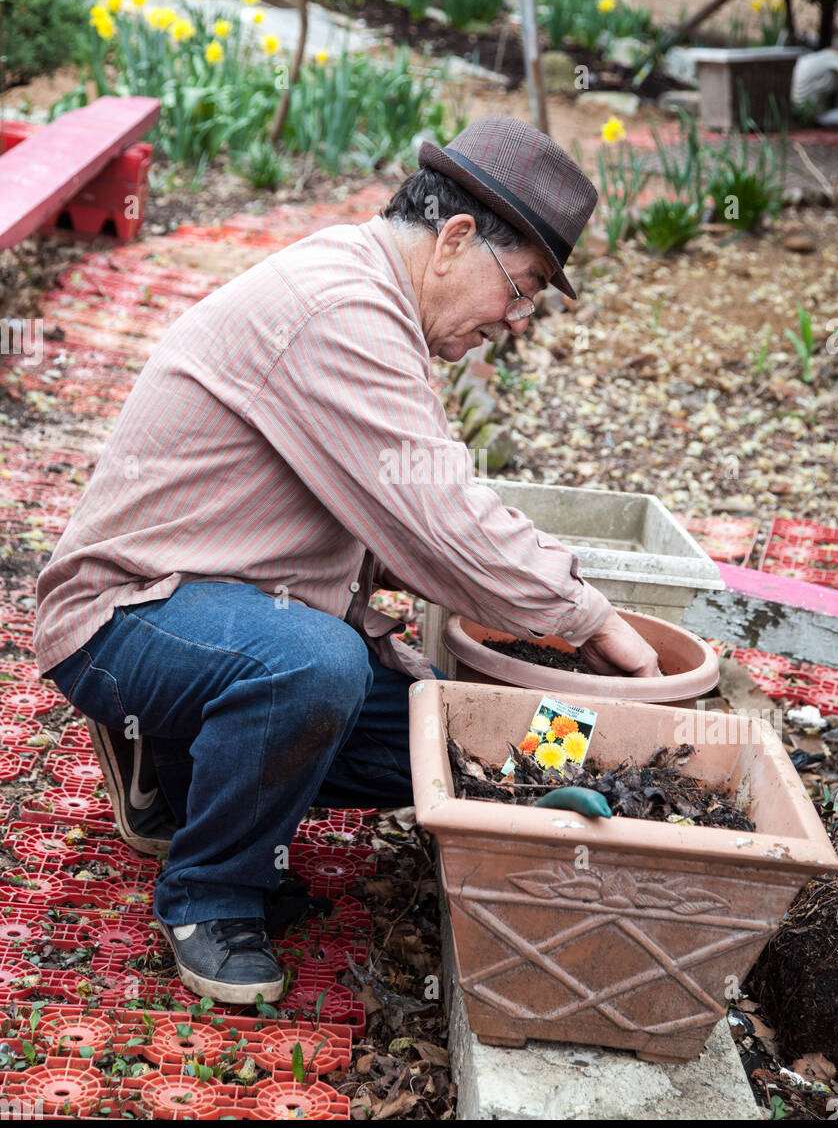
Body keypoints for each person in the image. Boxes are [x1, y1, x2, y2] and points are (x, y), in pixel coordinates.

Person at [34, 115, 660, 1005]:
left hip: (229, 607)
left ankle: (173, 763)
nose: (514, 321)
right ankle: (209, 895)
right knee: (312, 666)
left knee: (435, 741)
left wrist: (524, 687)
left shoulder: (377, 302)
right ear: (452, 239)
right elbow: (440, 517)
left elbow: (411, 514)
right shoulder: (341, 309)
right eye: (518, 289)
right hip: (127, 614)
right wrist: (588, 622)